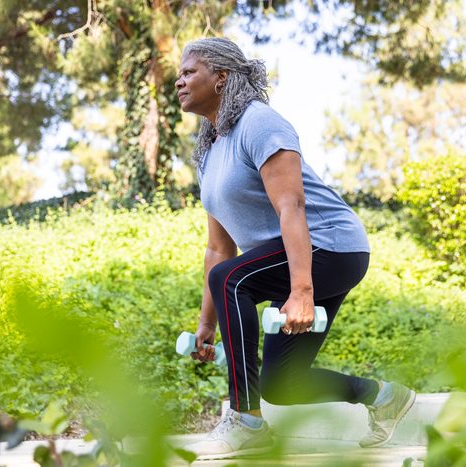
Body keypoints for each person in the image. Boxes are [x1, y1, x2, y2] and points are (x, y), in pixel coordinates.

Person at [174, 37, 415, 460]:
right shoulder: (211, 149)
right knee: (283, 384)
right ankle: (384, 397)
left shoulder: (259, 123)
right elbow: (218, 248)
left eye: (189, 71)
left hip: (329, 246)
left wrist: (301, 290)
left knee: (232, 281)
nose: (179, 81)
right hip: (297, 256)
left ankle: (246, 422)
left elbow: (292, 206)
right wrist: (206, 325)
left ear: (221, 78)